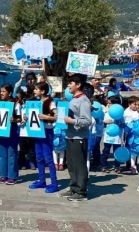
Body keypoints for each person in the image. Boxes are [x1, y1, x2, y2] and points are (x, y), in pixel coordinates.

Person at [60, 74, 92, 202]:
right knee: (71, 164)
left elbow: (87, 121)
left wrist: (72, 121)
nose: (68, 85)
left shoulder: (83, 101)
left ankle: (81, 191)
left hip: (79, 137)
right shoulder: (73, 99)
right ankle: (73, 187)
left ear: (78, 85)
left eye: (71, 83)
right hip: (70, 136)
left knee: (80, 165)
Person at [28, 82, 59, 193]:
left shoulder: (50, 102)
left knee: (48, 158)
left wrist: (46, 116)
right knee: (39, 157)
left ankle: (54, 183)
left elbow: (56, 116)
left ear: (43, 91)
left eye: (36, 89)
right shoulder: (36, 103)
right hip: (38, 131)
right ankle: (42, 180)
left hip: (47, 131)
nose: (34, 91)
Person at [0, 84, 21, 185]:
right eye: (1, 91)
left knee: (11, 154)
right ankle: (3, 175)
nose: (1, 93)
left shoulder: (16, 103)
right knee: (2, 154)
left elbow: (20, 118)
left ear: (10, 93)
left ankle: (12, 176)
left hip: (12, 131)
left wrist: (14, 120)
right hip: (1, 130)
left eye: (4, 91)